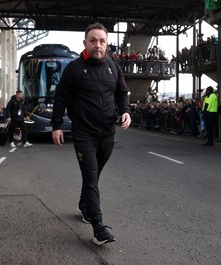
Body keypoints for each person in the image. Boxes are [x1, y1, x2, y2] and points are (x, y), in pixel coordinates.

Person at [51, 22, 131, 245]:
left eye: (102, 41)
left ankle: (84, 206)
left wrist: (126, 111)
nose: (98, 45)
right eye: (93, 40)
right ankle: (98, 226)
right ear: (85, 43)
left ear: (107, 44)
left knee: (93, 177)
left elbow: (122, 93)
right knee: (91, 176)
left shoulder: (113, 68)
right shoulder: (74, 68)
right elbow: (61, 98)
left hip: (107, 135)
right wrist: (56, 125)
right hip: (83, 134)